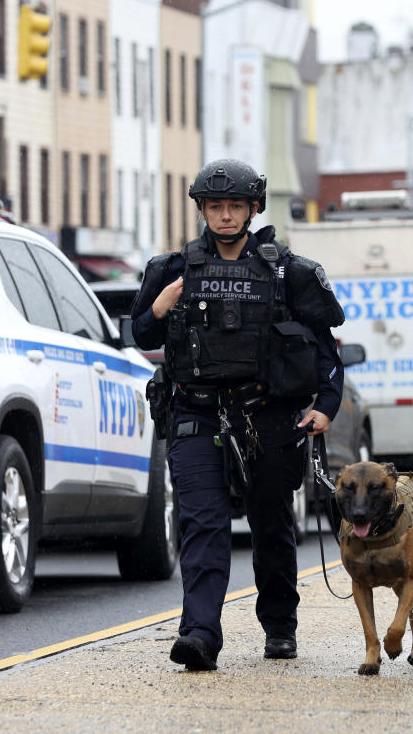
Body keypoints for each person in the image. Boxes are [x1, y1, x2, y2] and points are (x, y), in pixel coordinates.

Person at [130, 158, 345, 671]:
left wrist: (327, 407)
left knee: (272, 523)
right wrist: (158, 309)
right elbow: (140, 335)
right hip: (196, 414)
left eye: (235, 207)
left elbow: (327, 349)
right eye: (215, 207)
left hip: (268, 416)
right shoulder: (172, 270)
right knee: (202, 523)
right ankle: (200, 633)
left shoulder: (288, 273)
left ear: (252, 209)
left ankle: (280, 627)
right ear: (202, 209)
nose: (225, 216)